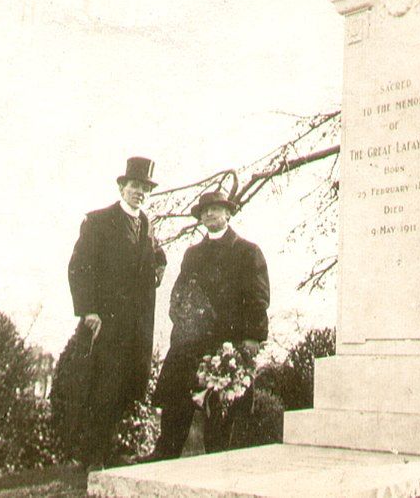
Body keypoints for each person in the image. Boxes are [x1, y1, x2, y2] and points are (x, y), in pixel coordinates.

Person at [63, 156, 166, 469]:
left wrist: (157, 270)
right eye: (135, 186)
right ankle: (91, 457)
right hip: (105, 322)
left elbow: (156, 259)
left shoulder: (147, 225)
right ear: (122, 187)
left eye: (145, 188)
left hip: (136, 325)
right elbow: (79, 266)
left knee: (126, 388)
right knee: (101, 388)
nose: (140, 193)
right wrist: (89, 310)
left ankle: (111, 451)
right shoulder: (98, 221)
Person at [151, 190, 270, 460]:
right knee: (176, 408)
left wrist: (252, 337)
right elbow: (179, 294)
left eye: (215, 209)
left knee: (221, 417)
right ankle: (161, 462)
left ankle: (219, 473)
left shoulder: (248, 251)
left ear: (228, 213)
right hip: (191, 344)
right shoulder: (192, 254)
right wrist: (184, 324)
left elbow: (258, 298)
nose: (208, 214)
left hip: (227, 347)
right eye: (204, 211)